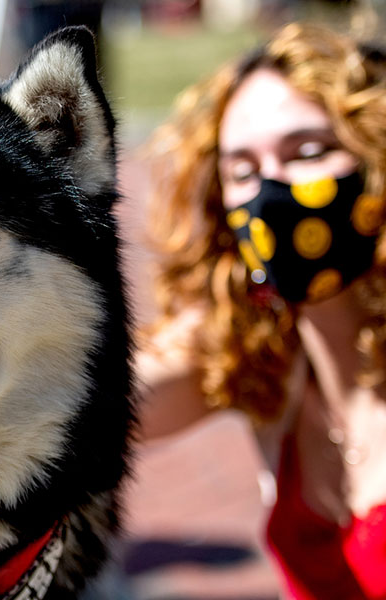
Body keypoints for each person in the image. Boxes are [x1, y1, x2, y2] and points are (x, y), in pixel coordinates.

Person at [138, 22, 386, 599]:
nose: (271, 193)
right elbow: (87, 415)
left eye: (308, 151)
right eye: (243, 171)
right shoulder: (269, 367)